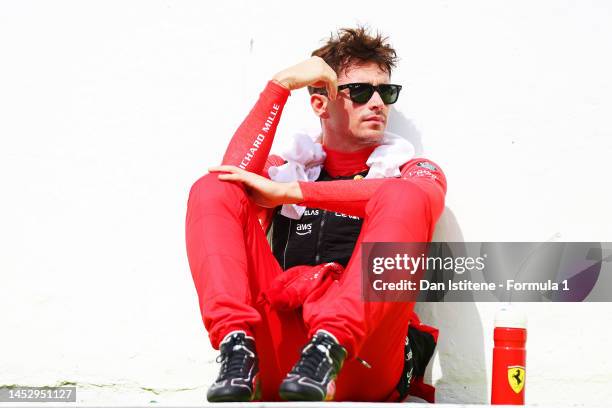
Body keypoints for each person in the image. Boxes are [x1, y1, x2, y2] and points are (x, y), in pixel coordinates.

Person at [185, 27, 447, 402]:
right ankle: (235, 346)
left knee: (403, 196)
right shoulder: (288, 168)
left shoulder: (412, 170)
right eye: (359, 91)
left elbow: (417, 197)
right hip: (283, 357)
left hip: (363, 358)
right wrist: (279, 86)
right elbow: (230, 177)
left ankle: (330, 345)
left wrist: (291, 193)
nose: (377, 103)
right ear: (321, 104)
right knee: (212, 187)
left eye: (385, 92)